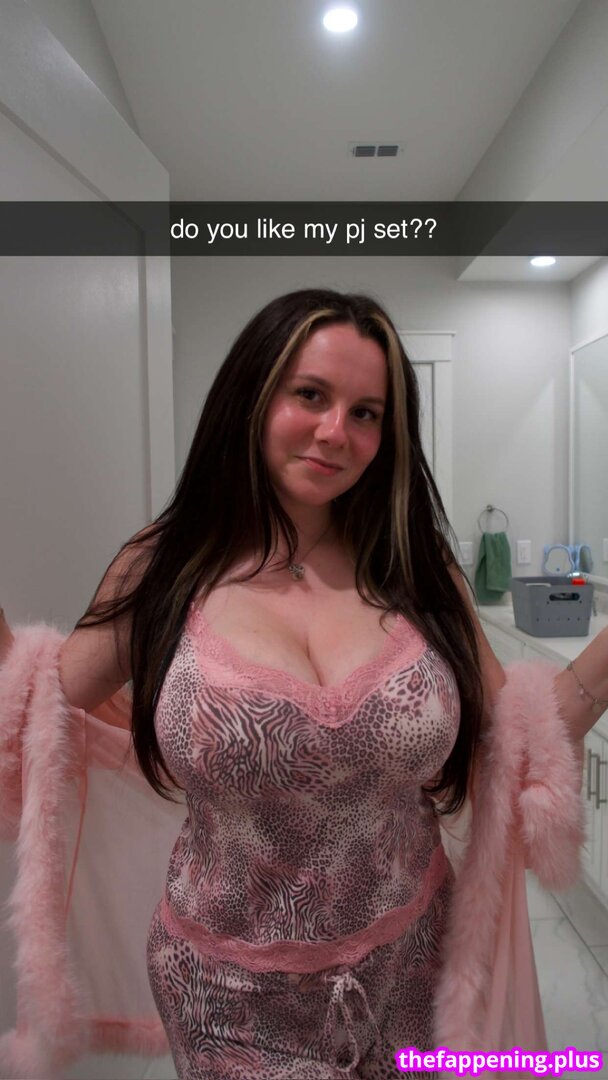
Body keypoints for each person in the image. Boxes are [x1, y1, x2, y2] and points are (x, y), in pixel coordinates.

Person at [0, 287, 606, 1080]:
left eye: (366, 412)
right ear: (253, 396)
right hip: (226, 996)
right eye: (311, 395)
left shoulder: (415, 567)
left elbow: (526, 734)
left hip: (416, 962)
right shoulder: (166, 564)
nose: (335, 432)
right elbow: (32, 703)